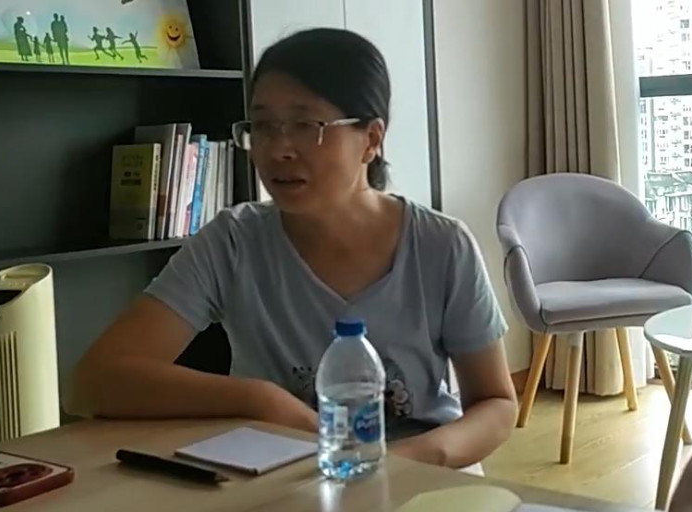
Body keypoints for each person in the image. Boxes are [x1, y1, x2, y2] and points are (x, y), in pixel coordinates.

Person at [70, 28, 517, 470]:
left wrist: (406, 462)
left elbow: (496, 404)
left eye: (306, 126)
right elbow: (94, 382)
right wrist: (259, 399)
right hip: (285, 475)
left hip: (425, 476)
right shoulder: (233, 242)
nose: (278, 149)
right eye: (264, 126)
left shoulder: (441, 245)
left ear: (371, 139)